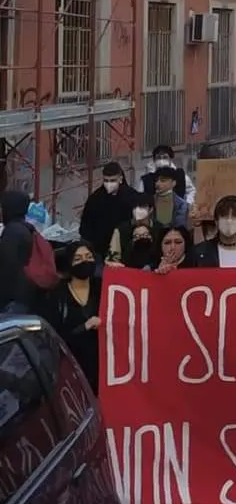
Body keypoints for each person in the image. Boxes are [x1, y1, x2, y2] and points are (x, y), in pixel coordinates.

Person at [41, 241, 102, 394]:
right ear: (69, 263)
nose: (85, 261)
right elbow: (53, 338)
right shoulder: (57, 296)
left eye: (89, 257)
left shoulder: (104, 287)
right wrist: (84, 327)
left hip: (105, 371)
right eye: (78, 258)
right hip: (73, 375)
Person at [79, 161, 138, 260]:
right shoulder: (95, 198)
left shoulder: (132, 197)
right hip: (100, 251)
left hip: (126, 251)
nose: (109, 184)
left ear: (120, 178)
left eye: (113, 180)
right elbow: (86, 227)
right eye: (106, 180)